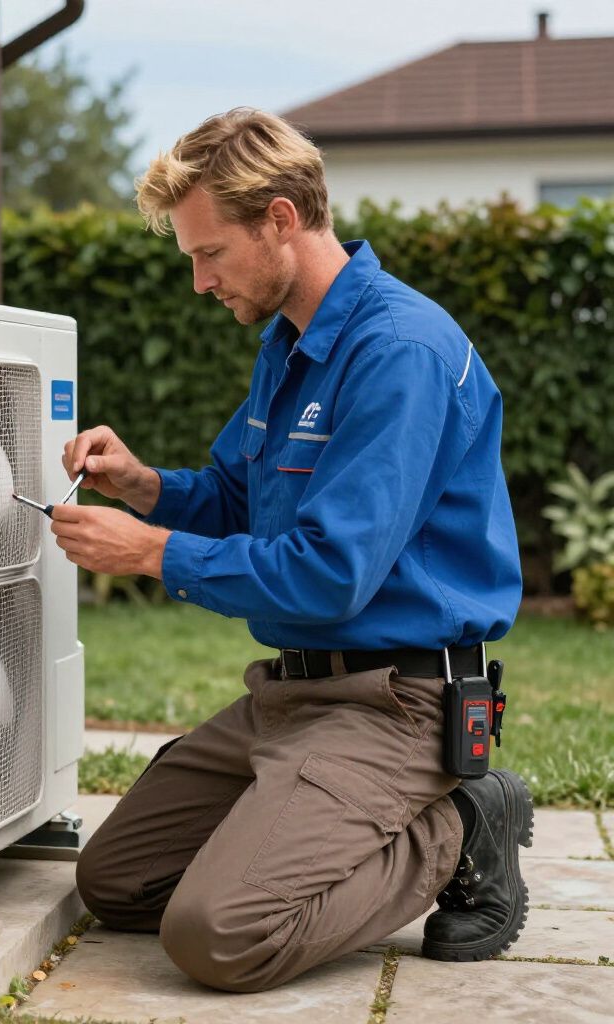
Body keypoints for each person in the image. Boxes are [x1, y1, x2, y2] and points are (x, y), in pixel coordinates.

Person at [48, 108, 530, 992]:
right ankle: (295, 819)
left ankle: (461, 817)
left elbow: (327, 572)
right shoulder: (292, 345)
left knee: (219, 936)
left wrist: (150, 551)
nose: (199, 281)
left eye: (209, 254)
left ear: (279, 219)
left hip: (395, 704)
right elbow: (239, 497)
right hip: (293, 697)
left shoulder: (400, 352)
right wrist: (144, 487)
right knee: (116, 882)